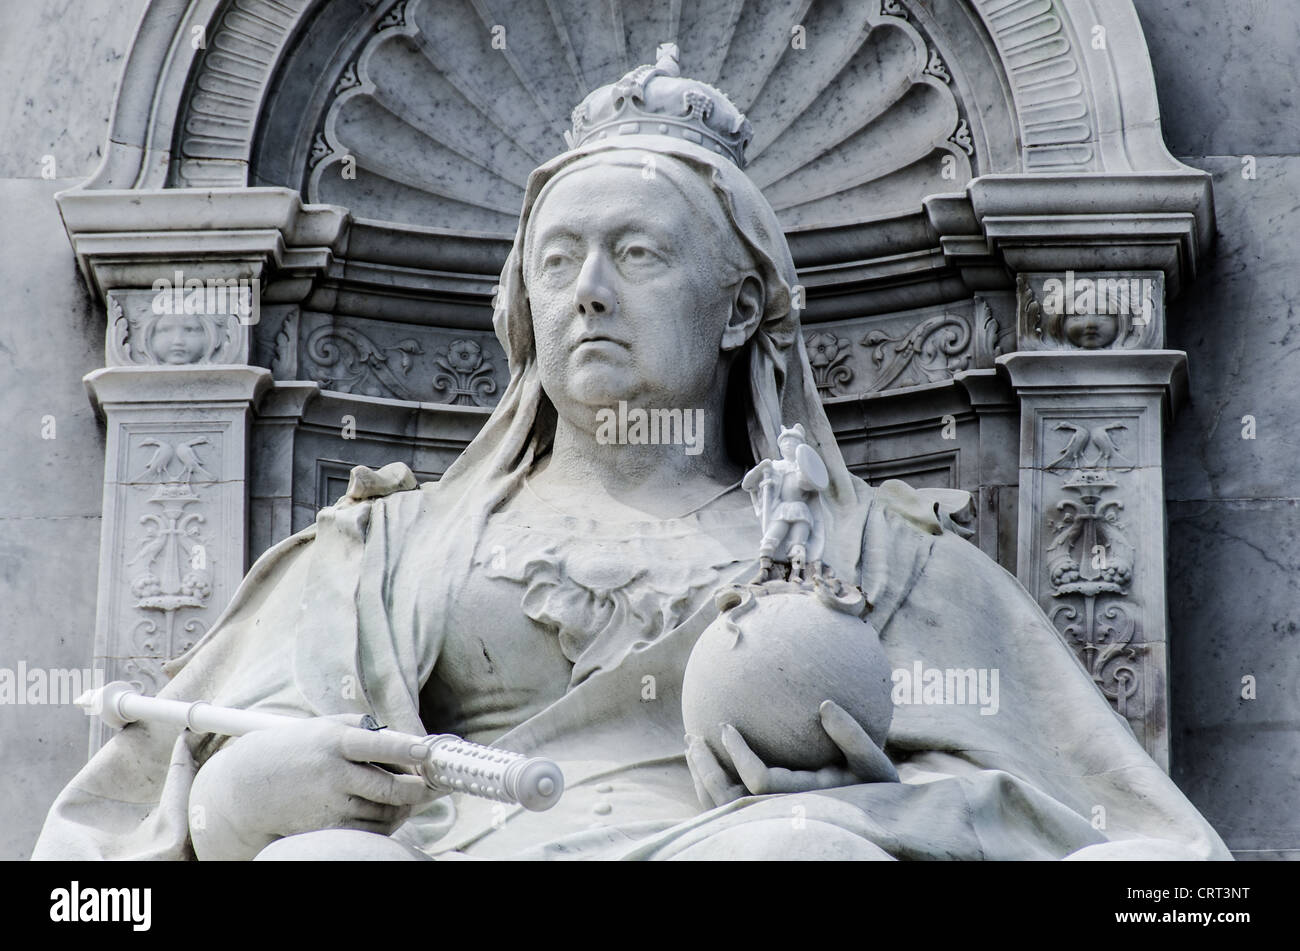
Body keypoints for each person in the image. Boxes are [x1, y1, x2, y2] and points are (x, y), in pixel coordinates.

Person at [34, 48, 1229, 861]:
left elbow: (1153, 859)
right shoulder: (381, 551)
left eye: (638, 256)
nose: (587, 294)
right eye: (556, 263)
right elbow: (92, 875)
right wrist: (235, 803)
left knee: (793, 850)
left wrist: (883, 805)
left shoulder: (873, 556)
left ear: (740, 308)